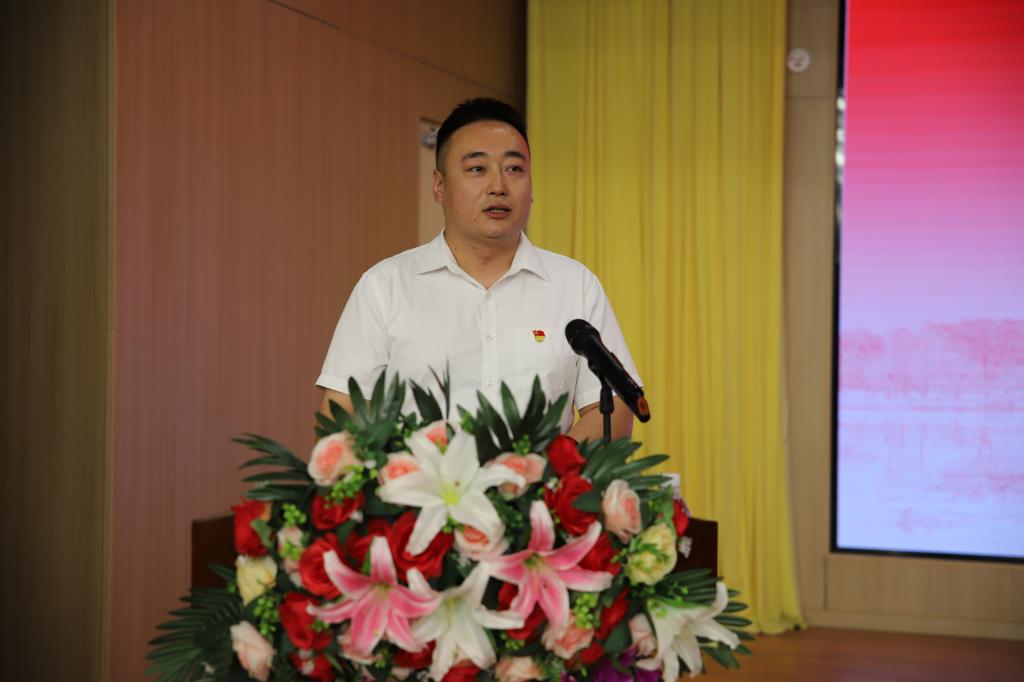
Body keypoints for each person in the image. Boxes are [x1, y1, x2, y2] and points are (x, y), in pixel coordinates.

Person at [317, 97, 640, 441]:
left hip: (544, 477)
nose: (498, 186)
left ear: (532, 186)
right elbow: (342, 413)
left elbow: (613, 408)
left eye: (514, 169)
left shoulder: (575, 285)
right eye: (477, 169)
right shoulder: (385, 286)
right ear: (439, 185)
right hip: (420, 477)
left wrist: (547, 471)